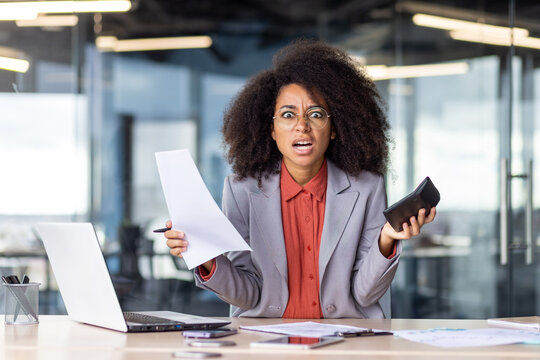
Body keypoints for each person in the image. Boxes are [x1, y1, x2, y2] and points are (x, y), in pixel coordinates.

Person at [164, 39, 436, 318]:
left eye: (316, 114)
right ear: (271, 129)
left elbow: (364, 293)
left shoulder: (367, 187)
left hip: (345, 338)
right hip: (265, 339)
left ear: (334, 128)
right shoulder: (241, 191)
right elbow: (247, 295)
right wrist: (205, 256)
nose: (302, 126)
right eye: (287, 115)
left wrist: (387, 238)